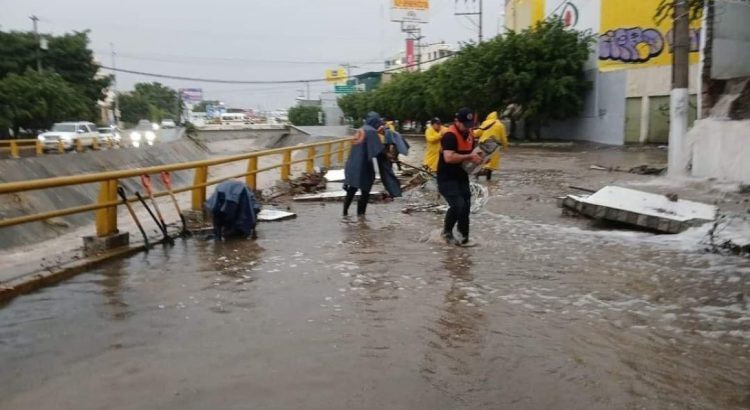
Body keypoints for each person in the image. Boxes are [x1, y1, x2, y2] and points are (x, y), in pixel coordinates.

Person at [343, 112, 403, 216]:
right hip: (363, 167)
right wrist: (389, 157)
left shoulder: (361, 129)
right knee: (365, 192)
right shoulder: (371, 132)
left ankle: (345, 214)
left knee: (351, 190)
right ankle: (361, 217)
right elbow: (378, 150)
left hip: (352, 165)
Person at [437, 107, 482, 246]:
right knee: (458, 205)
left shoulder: (470, 135)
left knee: (466, 207)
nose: (467, 128)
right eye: (464, 125)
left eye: (470, 125)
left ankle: (464, 238)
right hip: (447, 177)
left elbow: (472, 154)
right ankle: (446, 232)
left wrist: (480, 160)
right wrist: (469, 156)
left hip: (462, 177)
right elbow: (449, 158)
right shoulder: (449, 136)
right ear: (457, 121)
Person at [472, 111, 509, 181]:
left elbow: (478, 132)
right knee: (490, 167)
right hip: (493, 146)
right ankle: (488, 180)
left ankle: (477, 178)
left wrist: (471, 134)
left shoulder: (485, 123)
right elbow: (503, 138)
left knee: (481, 162)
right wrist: (505, 147)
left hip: (483, 145)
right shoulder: (501, 125)